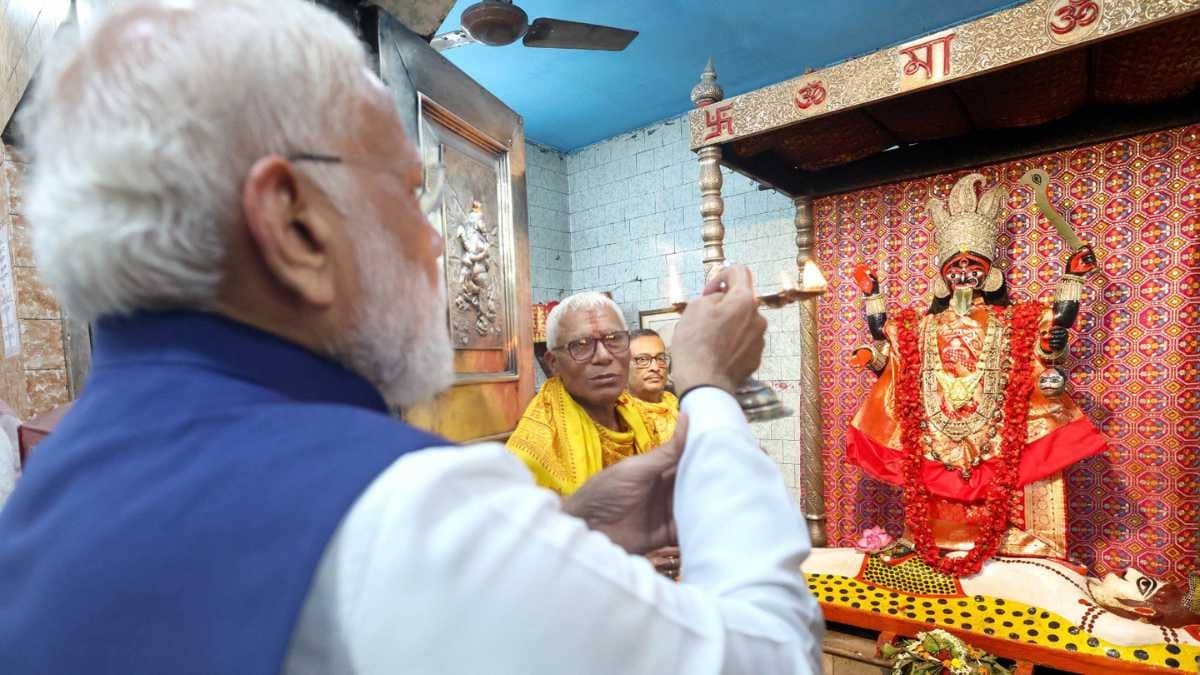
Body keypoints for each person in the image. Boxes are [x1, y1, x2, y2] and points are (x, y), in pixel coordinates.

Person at [0, 2, 822, 674]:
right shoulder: (395, 507)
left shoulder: (49, 489)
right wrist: (709, 386)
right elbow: (774, 654)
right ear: (293, 225)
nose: (438, 245)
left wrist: (562, 534)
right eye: (407, 192)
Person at [846, 173, 1106, 576]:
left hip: (998, 425)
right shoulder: (921, 325)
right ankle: (933, 546)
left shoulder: (1014, 319)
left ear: (991, 272)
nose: (964, 271)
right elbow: (886, 336)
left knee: (1018, 468)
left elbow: (1056, 329)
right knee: (928, 482)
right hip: (936, 425)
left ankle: (1020, 550)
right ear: (943, 275)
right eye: (956, 265)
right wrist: (872, 296)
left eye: (973, 264)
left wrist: (1072, 276)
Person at [507, 294, 676, 494]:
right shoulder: (531, 455)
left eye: (614, 340)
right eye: (581, 345)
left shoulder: (644, 417)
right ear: (553, 363)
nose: (603, 357)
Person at [627, 328, 678, 418]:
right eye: (642, 359)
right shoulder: (617, 414)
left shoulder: (680, 404)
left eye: (660, 358)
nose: (655, 368)